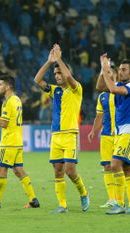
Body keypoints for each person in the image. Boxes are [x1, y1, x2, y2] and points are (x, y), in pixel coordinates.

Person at [34, 44, 89, 213]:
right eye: (55, 74)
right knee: (58, 171)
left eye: (60, 73)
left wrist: (59, 59)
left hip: (70, 135)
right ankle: (62, 205)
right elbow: (37, 80)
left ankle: (84, 193)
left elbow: (69, 78)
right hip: (56, 135)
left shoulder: (76, 89)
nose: (57, 76)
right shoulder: (54, 91)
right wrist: (49, 61)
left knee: (70, 170)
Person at [0, 75, 40, 209]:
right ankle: (33, 200)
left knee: (1, 170)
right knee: (18, 170)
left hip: (8, 142)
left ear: (7, 86)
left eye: (0, 84)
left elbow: (5, 124)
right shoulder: (17, 100)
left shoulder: (8, 102)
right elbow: (9, 121)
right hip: (17, 141)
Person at [101, 56, 130, 215]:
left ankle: (119, 204)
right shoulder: (118, 84)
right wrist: (102, 70)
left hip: (129, 132)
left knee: (115, 164)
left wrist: (106, 70)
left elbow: (113, 89)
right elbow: (101, 86)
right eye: (119, 69)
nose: (120, 71)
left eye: (124, 69)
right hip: (119, 132)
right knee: (126, 168)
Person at [88, 55, 117, 208]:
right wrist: (94, 130)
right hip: (106, 135)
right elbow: (99, 116)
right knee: (107, 166)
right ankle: (111, 198)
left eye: (110, 73)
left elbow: (102, 83)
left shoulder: (120, 91)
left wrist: (105, 67)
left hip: (119, 135)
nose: (107, 76)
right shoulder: (102, 97)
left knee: (121, 166)